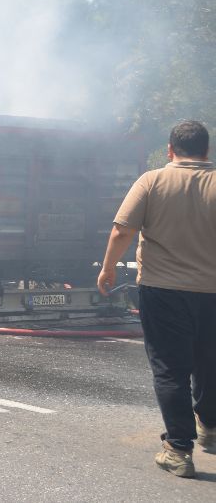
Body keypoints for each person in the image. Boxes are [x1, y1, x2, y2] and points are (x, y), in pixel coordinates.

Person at [98, 119, 216, 479]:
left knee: (170, 369)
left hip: (163, 291)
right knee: (209, 361)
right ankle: (209, 427)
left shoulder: (152, 181)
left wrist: (108, 269)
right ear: (207, 151)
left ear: (170, 149)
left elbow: (122, 230)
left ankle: (179, 449)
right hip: (212, 292)